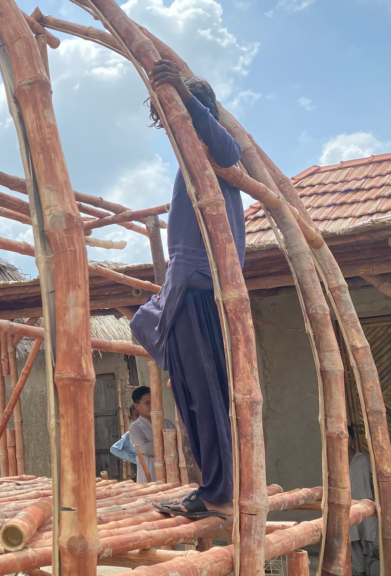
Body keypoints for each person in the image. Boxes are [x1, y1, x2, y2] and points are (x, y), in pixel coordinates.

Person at [130, 60, 243, 519]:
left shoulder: (213, 155)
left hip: (198, 285)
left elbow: (230, 148)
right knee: (191, 390)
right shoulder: (191, 164)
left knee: (207, 396)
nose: (169, 129)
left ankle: (218, 492)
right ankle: (214, 487)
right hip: (186, 284)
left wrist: (187, 97)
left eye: (171, 116)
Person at [348, 426, 379, 575]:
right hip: (347, 507)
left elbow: (375, 482)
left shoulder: (363, 459)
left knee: (372, 539)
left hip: (367, 505)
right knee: (352, 541)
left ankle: (374, 568)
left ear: (353, 440)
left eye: (347, 437)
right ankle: (360, 571)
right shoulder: (332, 462)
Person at [127, 386, 175, 483]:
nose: (152, 405)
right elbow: (145, 449)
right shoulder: (135, 427)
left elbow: (178, 443)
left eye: (153, 401)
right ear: (137, 406)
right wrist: (167, 442)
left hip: (171, 471)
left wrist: (153, 443)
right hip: (149, 472)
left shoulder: (167, 423)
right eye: (147, 403)